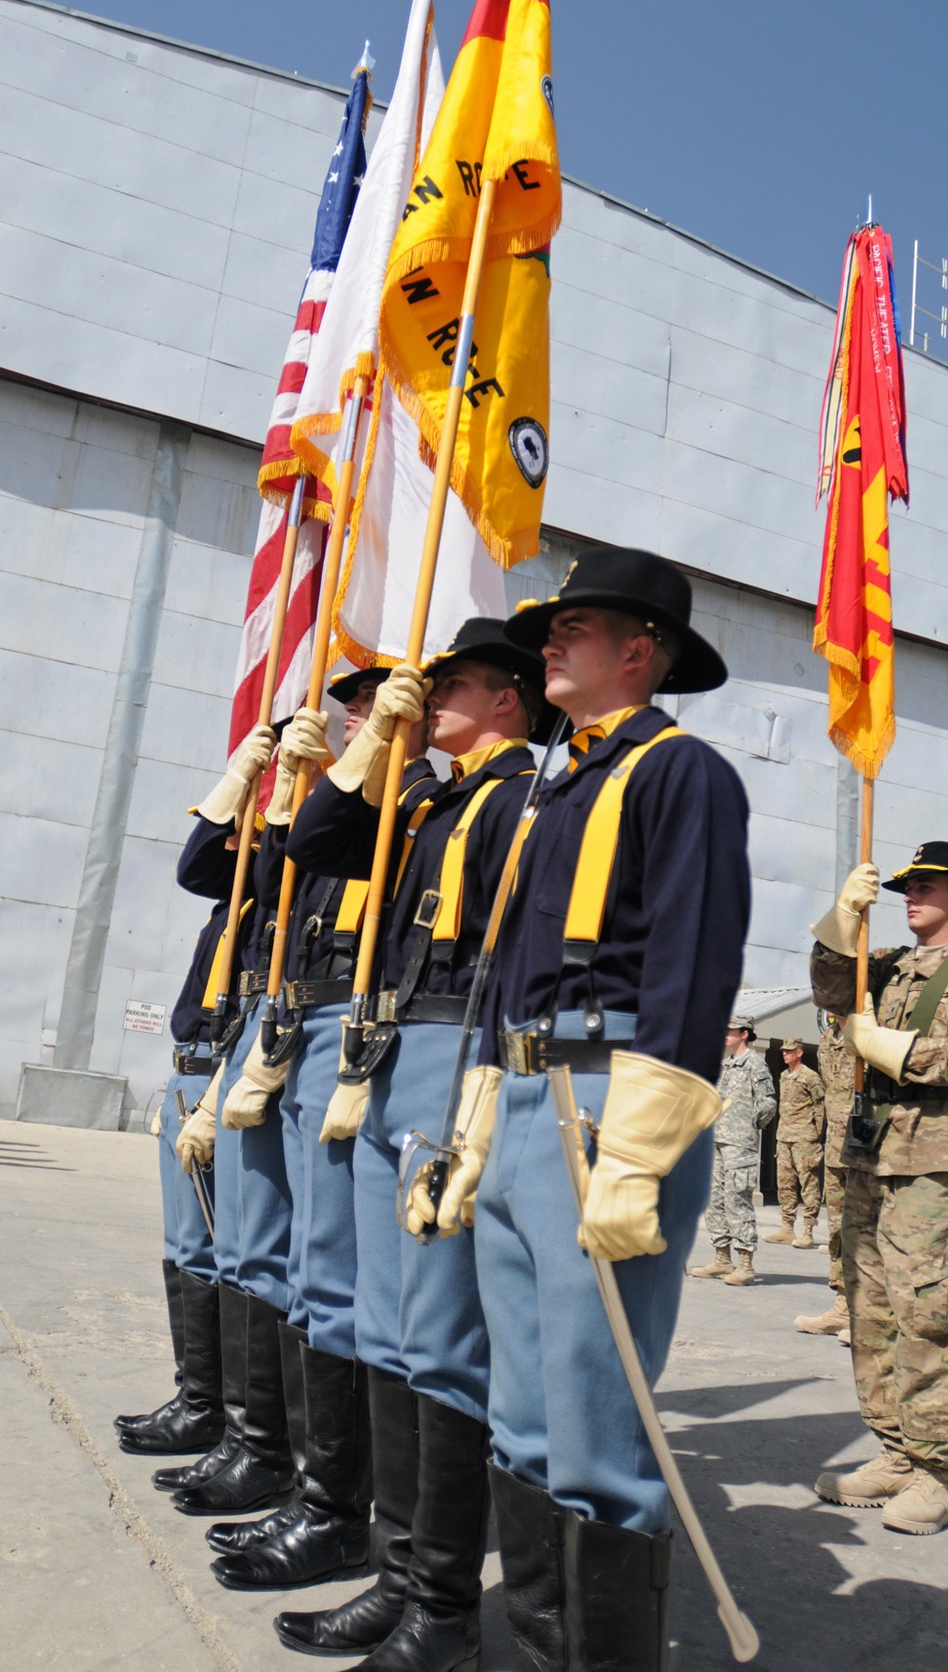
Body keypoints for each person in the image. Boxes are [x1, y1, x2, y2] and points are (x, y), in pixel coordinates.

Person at [417, 549, 750, 1670]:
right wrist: (473, 1123)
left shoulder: (680, 771)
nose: (549, 640)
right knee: (520, 1419)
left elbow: (691, 964)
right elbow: (504, 968)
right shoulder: (561, 784)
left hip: (604, 1098)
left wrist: (642, 1146)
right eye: (552, 627)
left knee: (597, 1431)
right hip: (521, 1093)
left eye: (578, 625)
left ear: (638, 650)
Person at [272, 620, 549, 1672]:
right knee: (386, 1331)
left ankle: (441, 1608)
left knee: (436, 1340)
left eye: (450, 690)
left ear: (508, 701)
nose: (428, 704)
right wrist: (369, 752)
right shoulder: (428, 797)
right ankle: (399, 1578)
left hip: (452, 1046)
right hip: (391, 1049)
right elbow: (314, 844)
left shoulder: (525, 795)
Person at [204, 668, 435, 1591]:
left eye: (372, 708)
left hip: (368, 1035)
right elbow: (225, 871)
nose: (352, 719)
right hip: (294, 1030)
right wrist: (248, 787)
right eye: (351, 710)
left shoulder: (430, 804)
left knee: (346, 1290)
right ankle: (294, 1472)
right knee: (291, 1271)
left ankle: (339, 1508)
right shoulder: (355, 804)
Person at [811, 841, 948, 1534]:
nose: (911, 893)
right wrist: (840, 923)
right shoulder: (882, 964)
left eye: (929, 884)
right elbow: (831, 992)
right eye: (905, 885)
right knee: (872, 1313)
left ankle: (934, 1473)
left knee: (931, 1317)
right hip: (870, 1159)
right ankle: (893, 1451)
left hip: (934, 1170)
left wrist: (881, 1046)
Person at [114, 723, 275, 1460]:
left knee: (231, 1251)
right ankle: (199, 1399)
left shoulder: (281, 893)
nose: (244, 837)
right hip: (192, 1063)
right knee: (189, 1247)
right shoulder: (234, 895)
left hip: (232, 1069)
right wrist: (238, 780)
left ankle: (235, 1421)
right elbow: (199, 862)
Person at [691, 1017, 775, 1286]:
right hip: (716, 1140)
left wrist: (750, 1127)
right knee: (715, 1200)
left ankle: (745, 1265)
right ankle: (722, 1259)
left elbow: (768, 1104)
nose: (725, 1034)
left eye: (731, 1031)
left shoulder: (755, 1064)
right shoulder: (726, 1065)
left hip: (740, 1144)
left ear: (744, 1033)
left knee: (738, 1200)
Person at [794, 1015, 854, 1337]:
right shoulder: (827, 1039)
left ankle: (874, 1315)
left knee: (871, 1233)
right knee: (838, 1232)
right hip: (836, 1148)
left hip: (868, 1149)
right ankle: (843, 1309)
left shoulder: (874, 1028)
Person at [764, 1038, 824, 1248]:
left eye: (789, 1051)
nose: (785, 1054)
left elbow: (820, 1106)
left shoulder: (810, 1077)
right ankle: (787, 1228)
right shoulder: (783, 1076)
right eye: (783, 1051)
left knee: (808, 1184)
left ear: (799, 1052)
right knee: (785, 1183)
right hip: (784, 1137)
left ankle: (808, 1230)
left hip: (804, 1138)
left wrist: (815, 1134)